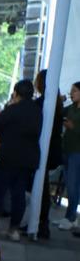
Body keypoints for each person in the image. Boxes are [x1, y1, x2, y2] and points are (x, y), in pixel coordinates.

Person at [0, 79, 41, 241]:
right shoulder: (38, 110)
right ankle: (14, 229)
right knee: (19, 193)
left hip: (8, 156)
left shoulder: (12, 109)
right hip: (28, 158)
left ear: (16, 93)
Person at [32, 69, 64, 238]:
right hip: (52, 150)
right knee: (42, 187)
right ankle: (40, 222)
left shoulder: (43, 103)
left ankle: (41, 223)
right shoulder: (56, 103)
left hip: (44, 151)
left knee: (41, 188)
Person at [59, 82, 80, 230]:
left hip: (77, 152)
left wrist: (73, 127)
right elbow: (60, 113)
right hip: (67, 149)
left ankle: (71, 217)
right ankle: (69, 217)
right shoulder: (71, 107)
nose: (71, 93)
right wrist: (59, 100)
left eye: (74, 91)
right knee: (70, 184)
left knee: (73, 185)